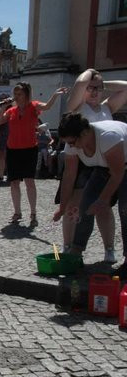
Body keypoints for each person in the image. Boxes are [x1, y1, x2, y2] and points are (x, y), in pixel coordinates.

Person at [54, 69, 126, 261]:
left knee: (104, 206)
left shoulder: (106, 108)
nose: (94, 91)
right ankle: (70, 246)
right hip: (81, 159)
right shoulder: (76, 107)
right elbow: (78, 85)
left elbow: (126, 88)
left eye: (98, 88)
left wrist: (103, 83)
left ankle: (109, 249)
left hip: (107, 160)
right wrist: (90, 72)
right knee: (75, 205)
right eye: (90, 88)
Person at [57, 113, 127, 276]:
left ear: (83, 134)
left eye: (72, 142)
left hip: (123, 165)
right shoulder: (73, 143)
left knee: (125, 209)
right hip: (103, 167)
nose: (71, 147)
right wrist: (62, 207)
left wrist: (103, 200)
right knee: (85, 204)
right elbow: (69, 176)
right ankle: (77, 251)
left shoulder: (108, 138)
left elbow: (117, 174)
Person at [0, 82, 66, 225]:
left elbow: (47, 106)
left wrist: (55, 95)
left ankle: (33, 213)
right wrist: (2, 108)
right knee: (14, 182)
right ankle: (17, 212)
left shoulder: (33, 106)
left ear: (26, 94)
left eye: (19, 94)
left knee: (29, 181)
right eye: (15, 94)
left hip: (29, 149)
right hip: (13, 149)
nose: (16, 96)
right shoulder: (11, 111)